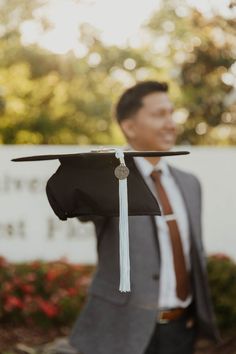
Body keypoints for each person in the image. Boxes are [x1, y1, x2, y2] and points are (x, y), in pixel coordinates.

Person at [68, 81, 220, 354]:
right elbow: (79, 207)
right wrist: (91, 172)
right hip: (123, 332)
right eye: (159, 114)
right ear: (129, 127)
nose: (171, 123)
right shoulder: (109, 181)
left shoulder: (189, 184)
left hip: (181, 331)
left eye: (172, 113)